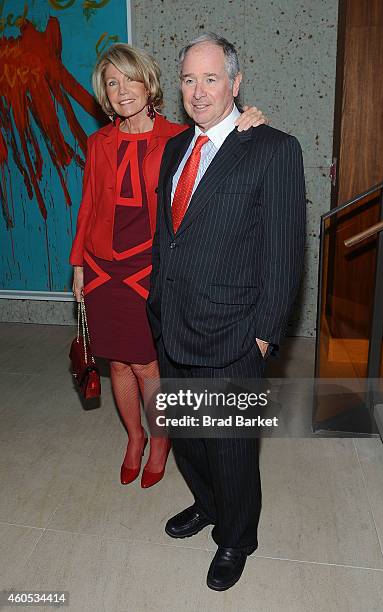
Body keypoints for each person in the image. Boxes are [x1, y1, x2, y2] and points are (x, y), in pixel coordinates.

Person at [147, 33, 306, 589]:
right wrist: (156, 306)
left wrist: (263, 335)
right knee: (189, 437)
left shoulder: (272, 147)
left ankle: (237, 537)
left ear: (235, 84)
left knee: (232, 447)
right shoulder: (174, 149)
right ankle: (209, 505)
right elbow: (170, 235)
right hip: (173, 325)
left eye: (211, 78)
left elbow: (286, 254)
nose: (198, 91)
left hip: (235, 333)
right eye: (189, 79)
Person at [70, 43, 266, 489]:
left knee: (147, 364)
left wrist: (250, 120)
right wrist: (77, 263)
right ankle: (135, 438)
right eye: (112, 83)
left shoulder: (181, 135)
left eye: (129, 79)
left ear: (149, 82)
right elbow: (87, 207)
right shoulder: (98, 141)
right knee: (117, 363)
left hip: (151, 269)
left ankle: (161, 439)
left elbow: (226, 144)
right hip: (102, 268)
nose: (122, 91)